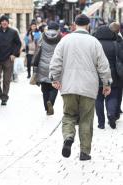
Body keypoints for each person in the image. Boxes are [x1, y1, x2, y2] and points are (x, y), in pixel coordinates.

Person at [49, 14, 112, 161]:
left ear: (74, 25)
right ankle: (84, 152)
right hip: (88, 88)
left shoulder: (65, 40)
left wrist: (55, 78)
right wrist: (107, 83)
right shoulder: (94, 42)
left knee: (69, 115)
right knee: (86, 119)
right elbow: (103, 65)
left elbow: (56, 61)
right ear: (88, 25)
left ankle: (68, 137)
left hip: (69, 86)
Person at [93, 25, 123, 129]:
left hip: (97, 74)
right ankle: (111, 114)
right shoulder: (116, 44)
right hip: (113, 74)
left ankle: (101, 123)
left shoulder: (95, 44)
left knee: (98, 99)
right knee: (112, 96)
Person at [32, 21, 62, 115]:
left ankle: (46, 106)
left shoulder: (42, 36)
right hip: (55, 65)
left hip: (42, 65)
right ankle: (51, 103)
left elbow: (38, 49)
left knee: (45, 87)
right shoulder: (60, 37)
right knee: (54, 86)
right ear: (57, 29)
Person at [0, 15, 22, 105]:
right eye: (2, 21)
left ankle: (4, 98)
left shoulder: (13, 32)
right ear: (0, 22)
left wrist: (14, 54)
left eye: (6, 21)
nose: (4, 22)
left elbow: (18, 44)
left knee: (6, 80)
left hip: (8, 59)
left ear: (8, 23)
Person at [109, 22, 123, 119]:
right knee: (118, 91)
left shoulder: (104, 40)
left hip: (106, 70)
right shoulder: (120, 40)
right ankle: (116, 110)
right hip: (118, 71)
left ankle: (111, 110)